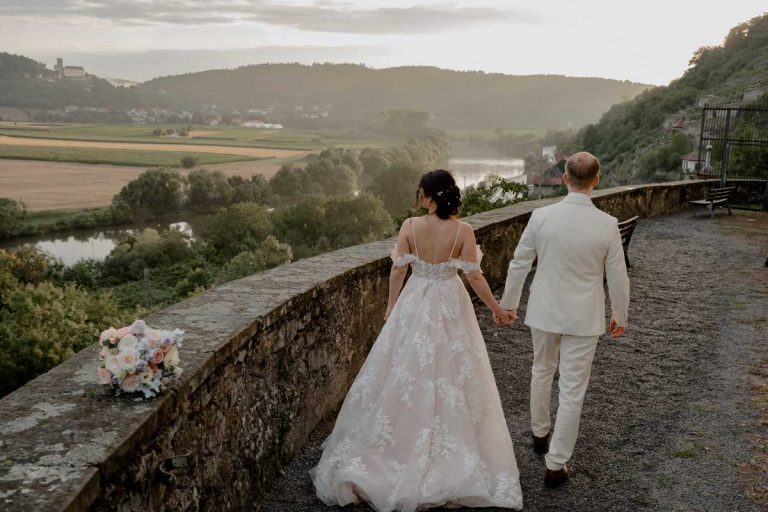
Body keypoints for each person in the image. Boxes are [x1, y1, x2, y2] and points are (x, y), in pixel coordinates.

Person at [311, 170, 523, 511]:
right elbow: (474, 275)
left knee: (402, 369)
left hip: (415, 300)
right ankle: (454, 455)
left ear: (428, 196)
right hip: (450, 302)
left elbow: (398, 270)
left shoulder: (410, 226)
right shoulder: (463, 231)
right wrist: (496, 308)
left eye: (420, 192)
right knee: (455, 370)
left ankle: (394, 447)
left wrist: (392, 306)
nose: (419, 197)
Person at [499, 151, 630, 487]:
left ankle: (540, 433)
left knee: (541, 369)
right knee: (573, 389)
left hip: (544, 310)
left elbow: (519, 262)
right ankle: (556, 464)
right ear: (597, 180)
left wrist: (510, 303)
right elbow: (618, 275)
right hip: (584, 316)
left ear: (564, 179)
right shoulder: (606, 224)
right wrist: (620, 315)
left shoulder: (541, 217)